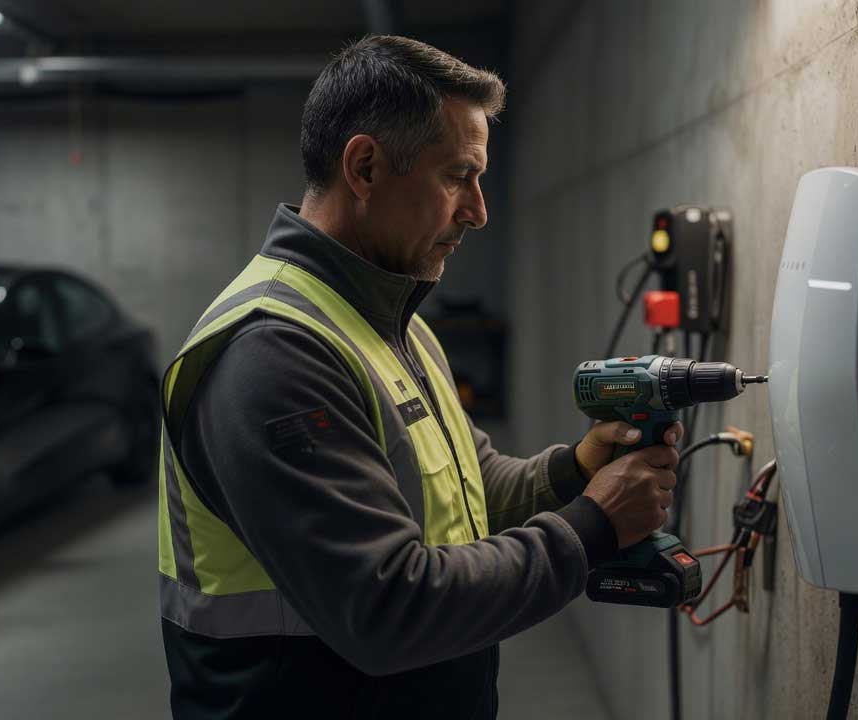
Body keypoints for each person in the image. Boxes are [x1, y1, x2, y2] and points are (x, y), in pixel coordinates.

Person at [157, 35, 681, 719]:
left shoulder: (390, 319)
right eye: (459, 175)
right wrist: (594, 526)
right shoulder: (273, 353)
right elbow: (388, 608)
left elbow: (467, 489)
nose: (478, 210)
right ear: (366, 167)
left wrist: (576, 470)